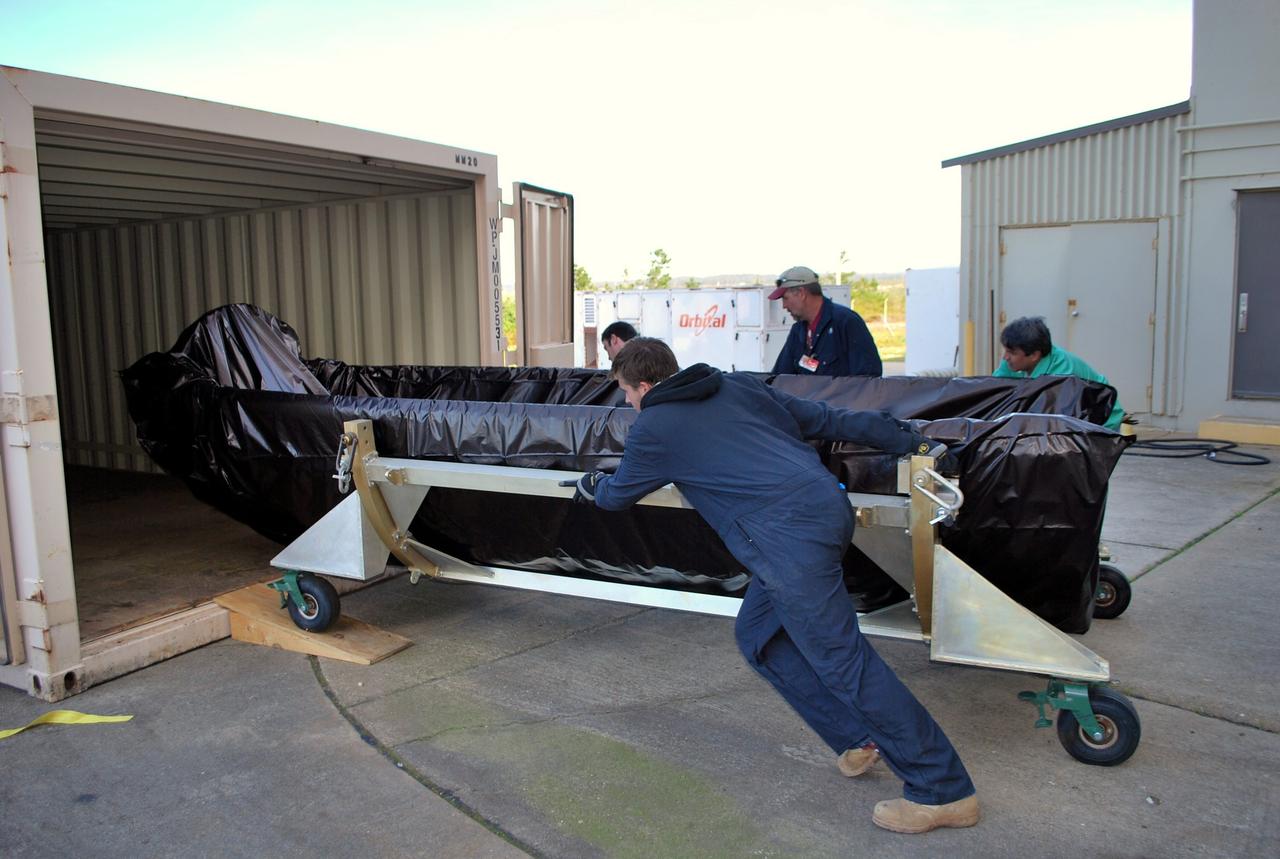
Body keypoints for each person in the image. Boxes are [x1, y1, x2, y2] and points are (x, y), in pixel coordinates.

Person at [569, 337, 979, 834]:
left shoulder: (656, 425)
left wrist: (590, 486)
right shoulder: (738, 386)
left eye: (628, 394)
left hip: (787, 543)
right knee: (759, 636)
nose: (630, 404)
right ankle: (856, 739)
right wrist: (912, 440)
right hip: (826, 514)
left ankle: (943, 789)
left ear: (648, 385)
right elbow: (830, 418)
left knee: (843, 663)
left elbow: (617, 496)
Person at [993, 316, 1125, 431]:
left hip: (1101, 419)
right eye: (1006, 350)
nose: (1005, 357)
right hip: (1070, 419)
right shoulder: (1012, 361)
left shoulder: (1060, 374)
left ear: (1034, 355)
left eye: (1012, 353)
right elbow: (997, 393)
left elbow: (1053, 419)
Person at [769, 265, 882, 377]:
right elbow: (780, 377)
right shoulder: (798, 330)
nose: (784, 306)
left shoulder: (846, 322)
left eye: (785, 298)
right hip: (804, 396)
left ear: (801, 293)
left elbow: (868, 380)